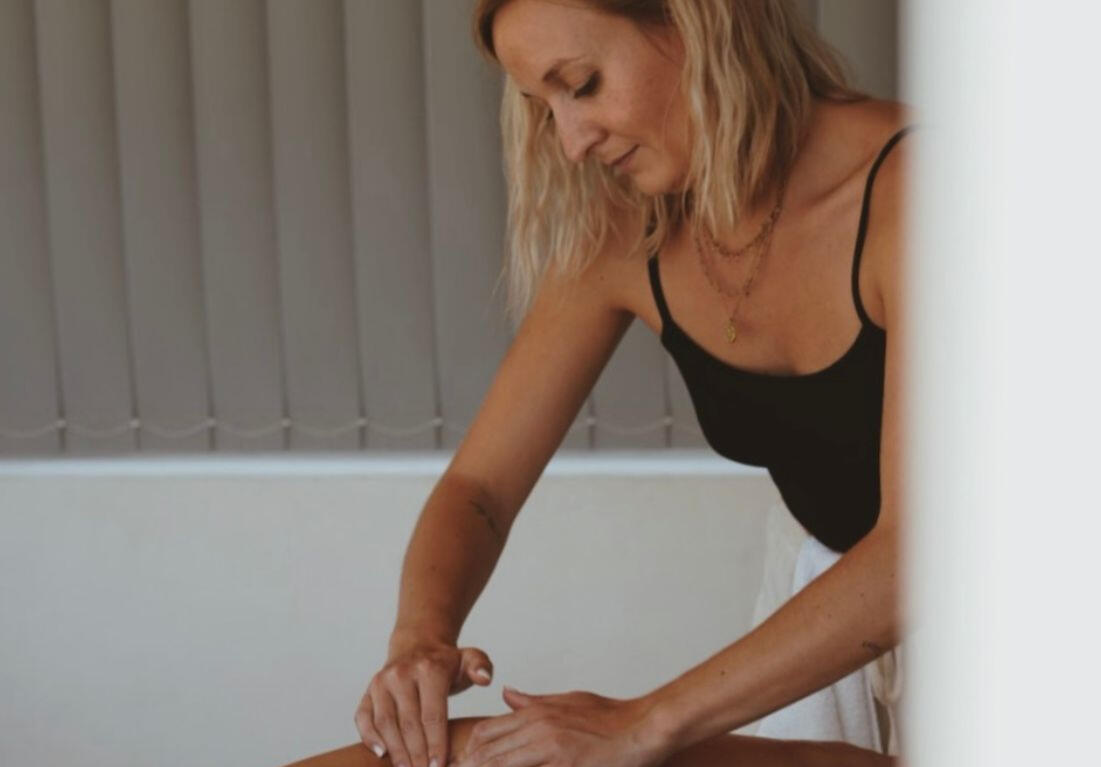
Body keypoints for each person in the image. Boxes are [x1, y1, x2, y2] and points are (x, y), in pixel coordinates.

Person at [286, 1, 912, 765]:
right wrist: (419, 638)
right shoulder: (631, 228)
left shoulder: (924, 195)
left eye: (581, 84)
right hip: (838, 626)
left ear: (701, 23)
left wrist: (643, 722)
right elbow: (480, 488)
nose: (571, 142)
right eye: (542, 106)